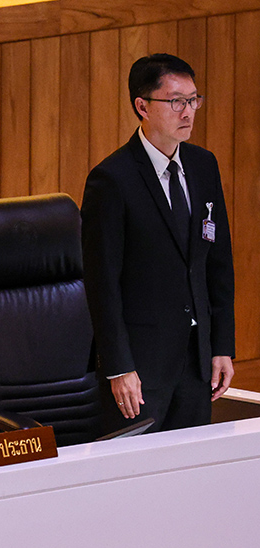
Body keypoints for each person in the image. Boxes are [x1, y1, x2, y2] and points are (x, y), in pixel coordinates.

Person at [81, 54, 235, 434]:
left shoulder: (203, 165)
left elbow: (217, 262)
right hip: (140, 368)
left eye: (194, 100)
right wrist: (118, 367)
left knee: (189, 478)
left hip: (196, 361)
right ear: (142, 106)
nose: (188, 112)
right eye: (176, 101)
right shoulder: (111, 179)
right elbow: (103, 284)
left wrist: (221, 345)